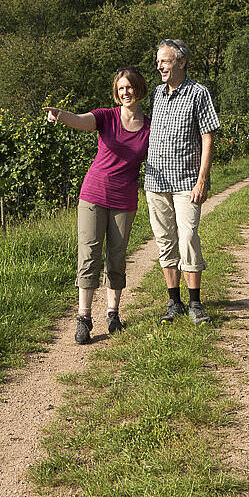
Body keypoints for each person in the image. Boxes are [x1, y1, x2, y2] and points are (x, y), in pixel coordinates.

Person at [43, 67, 150, 344]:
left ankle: (113, 314)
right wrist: (60, 114)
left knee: (117, 257)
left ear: (139, 89)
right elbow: (80, 120)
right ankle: (83, 317)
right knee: (89, 255)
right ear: (117, 93)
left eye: (129, 87)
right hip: (93, 195)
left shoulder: (150, 126)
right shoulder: (106, 117)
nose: (125, 92)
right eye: (121, 88)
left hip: (124, 199)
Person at [144, 39, 220, 325]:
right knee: (165, 241)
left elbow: (208, 136)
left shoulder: (198, 94)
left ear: (181, 62)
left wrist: (202, 180)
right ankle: (173, 301)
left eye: (165, 60)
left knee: (187, 237)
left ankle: (196, 303)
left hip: (187, 181)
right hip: (155, 181)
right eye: (158, 60)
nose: (159, 65)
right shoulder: (156, 95)